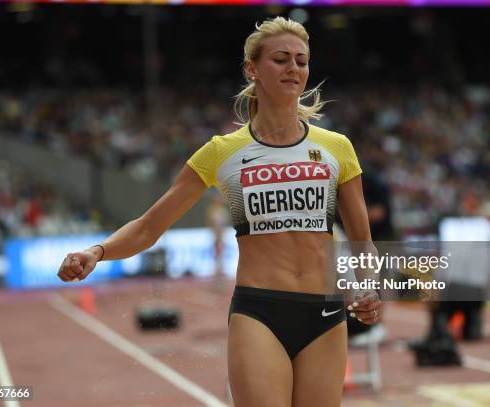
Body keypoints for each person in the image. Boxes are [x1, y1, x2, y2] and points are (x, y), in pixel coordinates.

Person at [57, 17, 381, 407]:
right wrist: (97, 251)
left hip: (326, 313)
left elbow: (362, 240)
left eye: (301, 60)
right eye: (280, 59)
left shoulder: (337, 148)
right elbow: (148, 227)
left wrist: (369, 286)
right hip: (260, 313)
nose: (293, 68)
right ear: (252, 69)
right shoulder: (221, 151)